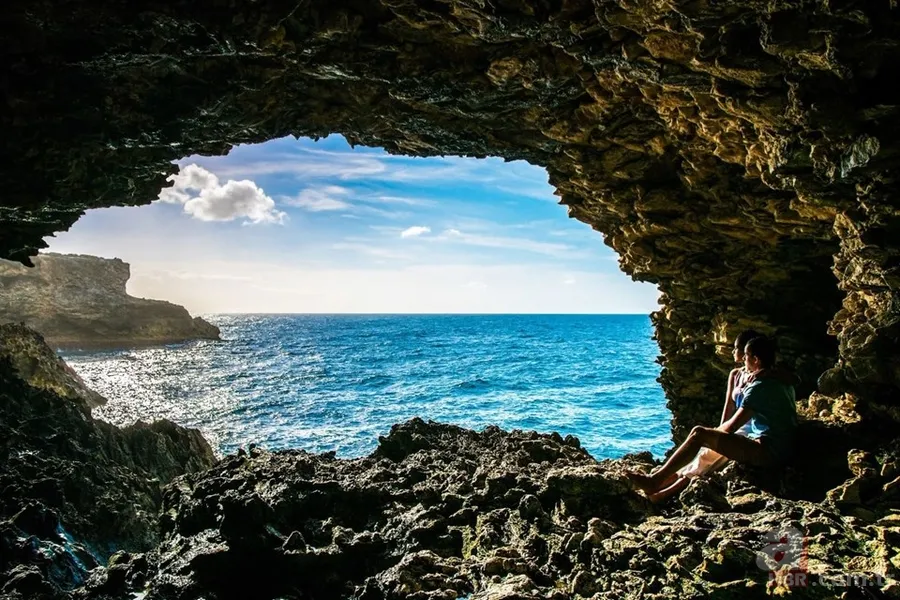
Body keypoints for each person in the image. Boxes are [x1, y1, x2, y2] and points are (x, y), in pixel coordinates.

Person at [627, 335, 798, 501]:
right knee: (704, 445)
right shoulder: (782, 381)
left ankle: (655, 481)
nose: (743, 359)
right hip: (784, 446)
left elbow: (731, 427)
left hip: (769, 451)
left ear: (755, 359)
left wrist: (707, 437)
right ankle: (660, 483)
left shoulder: (758, 388)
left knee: (698, 434)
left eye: (746, 356)